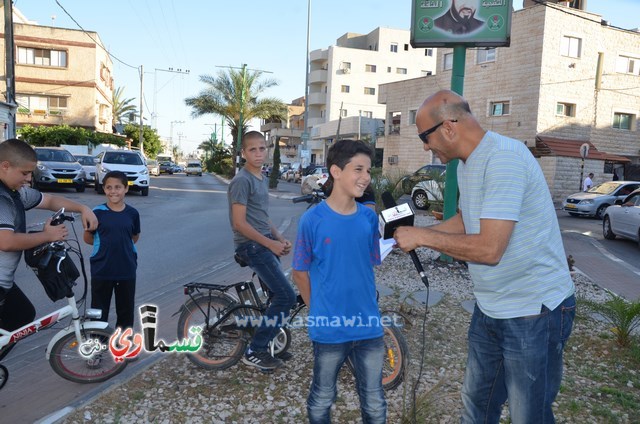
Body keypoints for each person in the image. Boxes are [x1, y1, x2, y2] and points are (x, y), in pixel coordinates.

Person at [393, 90, 575, 424]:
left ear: (448, 127)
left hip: (533, 311)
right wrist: (412, 240)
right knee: (477, 402)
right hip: (491, 307)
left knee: (528, 415)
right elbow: (467, 219)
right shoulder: (467, 164)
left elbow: (490, 249)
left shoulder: (504, 158)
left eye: (424, 136)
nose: (425, 146)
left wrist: (422, 236)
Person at [292, 139, 386, 424]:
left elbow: (370, 260)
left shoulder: (368, 219)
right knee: (322, 397)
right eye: (358, 169)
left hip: (369, 326)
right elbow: (299, 271)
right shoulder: (312, 220)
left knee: (374, 400)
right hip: (329, 328)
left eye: (368, 170)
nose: (366, 177)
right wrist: (317, 310)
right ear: (335, 171)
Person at [0, 139, 98, 331]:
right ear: (5, 166)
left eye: (31, 173)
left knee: (22, 316)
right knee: (18, 318)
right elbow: (5, 241)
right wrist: (47, 236)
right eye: (25, 173)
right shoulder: (1, 199)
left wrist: (82, 208)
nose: (29, 179)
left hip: (4, 282)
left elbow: (50, 200)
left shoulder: (15, 193)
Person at [228, 131, 297, 371]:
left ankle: (269, 343)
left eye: (262, 149)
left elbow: (260, 216)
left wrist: (279, 238)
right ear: (243, 153)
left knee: (276, 295)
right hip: (251, 246)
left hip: (264, 242)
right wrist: (270, 245)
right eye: (252, 150)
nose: (258, 154)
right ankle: (255, 350)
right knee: (286, 296)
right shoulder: (242, 180)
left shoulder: (260, 177)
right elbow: (239, 223)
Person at [83, 170, 140, 330]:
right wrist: (103, 247)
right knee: (99, 311)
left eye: (118, 187)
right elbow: (87, 238)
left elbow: (134, 237)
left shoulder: (132, 213)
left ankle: (123, 345)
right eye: (109, 187)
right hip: (102, 269)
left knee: (126, 311)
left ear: (126, 189)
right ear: (104, 189)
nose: (113, 191)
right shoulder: (97, 213)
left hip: (126, 269)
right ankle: (96, 348)